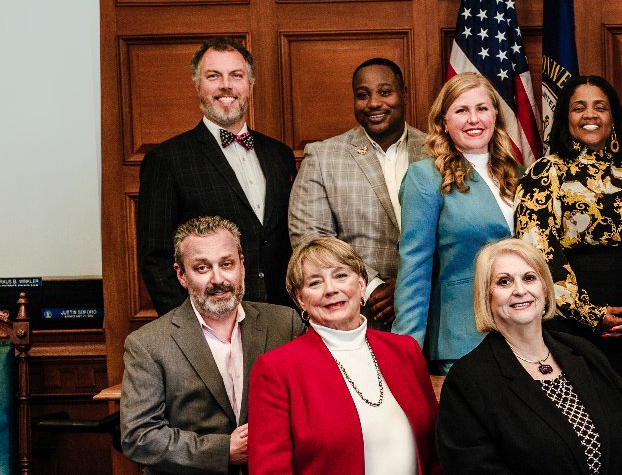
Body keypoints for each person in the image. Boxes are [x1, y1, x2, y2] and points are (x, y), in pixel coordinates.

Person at [438, 238, 622, 474]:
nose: (520, 290)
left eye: (529, 278)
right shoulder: (468, 381)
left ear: (545, 288)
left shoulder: (583, 351)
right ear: (486, 296)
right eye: (504, 282)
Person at [119, 216, 304, 473]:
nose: (218, 279)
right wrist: (223, 451)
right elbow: (139, 437)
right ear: (181, 275)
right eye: (202, 268)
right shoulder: (148, 344)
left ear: (242, 264)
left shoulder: (285, 324)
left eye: (227, 264)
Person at [247, 237, 439, 473]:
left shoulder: (405, 350)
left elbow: (434, 453)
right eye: (315, 283)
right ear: (300, 299)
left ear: (361, 284)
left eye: (340, 276)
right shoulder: (277, 369)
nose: (331, 289)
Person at [138, 37, 297, 312]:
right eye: (214, 76)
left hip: (281, 319)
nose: (226, 85)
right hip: (210, 320)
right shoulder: (165, 159)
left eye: (236, 75)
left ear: (250, 84)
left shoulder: (280, 156)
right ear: (198, 85)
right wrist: (190, 330)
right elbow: (156, 259)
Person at [515, 75, 622, 381]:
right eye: (579, 107)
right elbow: (538, 256)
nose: (590, 114)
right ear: (565, 118)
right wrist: (590, 314)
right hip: (569, 323)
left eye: (600, 107)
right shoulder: (545, 172)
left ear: (613, 118)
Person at [393, 72, 521, 374]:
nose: (473, 119)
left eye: (482, 108)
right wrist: (405, 353)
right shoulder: (425, 177)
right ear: (444, 123)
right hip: (463, 338)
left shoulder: (519, 173)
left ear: (495, 116)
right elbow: (414, 268)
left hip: (522, 333)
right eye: (461, 111)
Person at [289, 57, 429, 330]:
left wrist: (408, 283)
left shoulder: (437, 150)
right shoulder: (323, 156)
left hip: (432, 309)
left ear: (404, 94)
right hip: (358, 314)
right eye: (363, 95)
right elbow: (310, 237)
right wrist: (371, 286)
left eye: (385, 92)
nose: (374, 103)